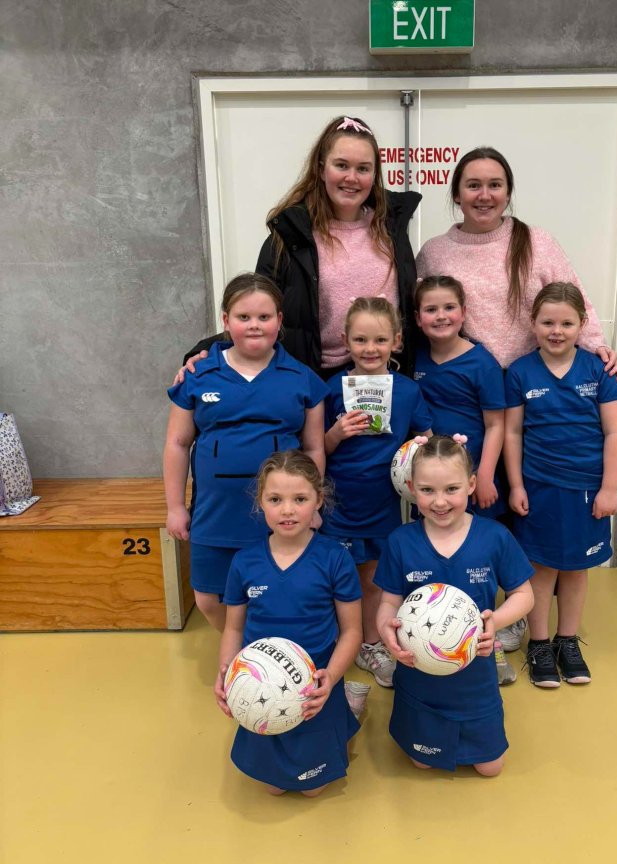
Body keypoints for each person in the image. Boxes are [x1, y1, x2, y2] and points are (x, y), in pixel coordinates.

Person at [416, 145, 617, 653]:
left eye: (494, 184)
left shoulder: (537, 241)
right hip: (474, 392)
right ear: (456, 193)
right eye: (473, 185)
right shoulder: (435, 251)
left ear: (508, 191)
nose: (484, 194)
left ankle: (515, 614)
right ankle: (473, 610)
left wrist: (596, 347)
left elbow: (572, 299)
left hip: (534, 392)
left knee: (522, 506)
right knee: (479, 502)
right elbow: (419, 312)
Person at [181, 115, 421, 380]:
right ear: (321, 169)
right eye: (341, 165)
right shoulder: (289, 237)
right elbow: (259, 311)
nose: (352, 177)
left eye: (363, 169)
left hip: (385, 376)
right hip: (314, 381)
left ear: (374, 174)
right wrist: (210, 348)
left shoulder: (392, 231)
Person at [163, 273, 327, 632]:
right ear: (226, 321)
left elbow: (314, 447)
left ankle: (266, 655)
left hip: (281, 511)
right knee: (208, 597)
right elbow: (177, 443)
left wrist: (313, 506)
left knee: (276, 591)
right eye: (244, 317)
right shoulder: (198, 375)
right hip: (216, 511)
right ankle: (238, 648)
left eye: (265, 317)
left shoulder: (302, 378)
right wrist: (175, 507)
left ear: (279, 321)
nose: (255, 326)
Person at [375, 435, 534, 775]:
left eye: (451, 489)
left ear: (471, 484)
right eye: (427, 490)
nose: (440, 502)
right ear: (411, 488)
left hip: (474, 673)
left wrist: (496, 621)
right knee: (422, 762)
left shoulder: (494, 537)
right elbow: (388, 603)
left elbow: (525, 595)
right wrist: (386, 632)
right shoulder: (400, 541)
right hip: (420, 672)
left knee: (490, 767)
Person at [214, 451, 363, 796]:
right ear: (260, 503)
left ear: (318, 501)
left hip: (314, 684)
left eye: (300, 499)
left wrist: (332, 679)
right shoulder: (244, 562)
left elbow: (353, 630)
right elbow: (234, 628)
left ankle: (342, 704)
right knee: (273, 789)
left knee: (313, 788)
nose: (287, 510)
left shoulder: (335, 558)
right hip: (264, 685)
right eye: (275, 499)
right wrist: (225, 672)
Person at [503, 282, 617, 688]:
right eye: (547, 322)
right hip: (538, 488)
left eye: (566, 323)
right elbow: (513, 433)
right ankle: (538, 644)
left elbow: (615, 434)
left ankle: (567, 640)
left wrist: (610, 488)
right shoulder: (520, 372)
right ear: (533, 324)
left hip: (587, 491)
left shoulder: (597, 370)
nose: (557, 331)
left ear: (582, 324)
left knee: (575, 568)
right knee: (540, 566)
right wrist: (516, 485)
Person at [322, 297, 433, 688]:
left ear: (397, 341)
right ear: (344, 340)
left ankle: (371, 644)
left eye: (380, 340)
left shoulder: (407, 391)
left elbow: (424, 441)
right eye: (361, 339)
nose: (371, 349)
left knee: (374, 580)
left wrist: (430, 461)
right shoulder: (332, 388)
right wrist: (337, 432)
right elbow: (314, 449)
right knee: (334, 579)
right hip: (337, 502)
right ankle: (332, 643)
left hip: (384, 504)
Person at [413, 275, 506, 519]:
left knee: (476, 544)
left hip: (473, 475)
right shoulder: (415, 358)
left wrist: (484, 476)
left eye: (449, 307)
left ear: (463, 312)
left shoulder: (482, 364)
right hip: (432, 477)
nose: (441, 316)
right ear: (417, 318)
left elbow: (496, 424)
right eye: (431, 309)